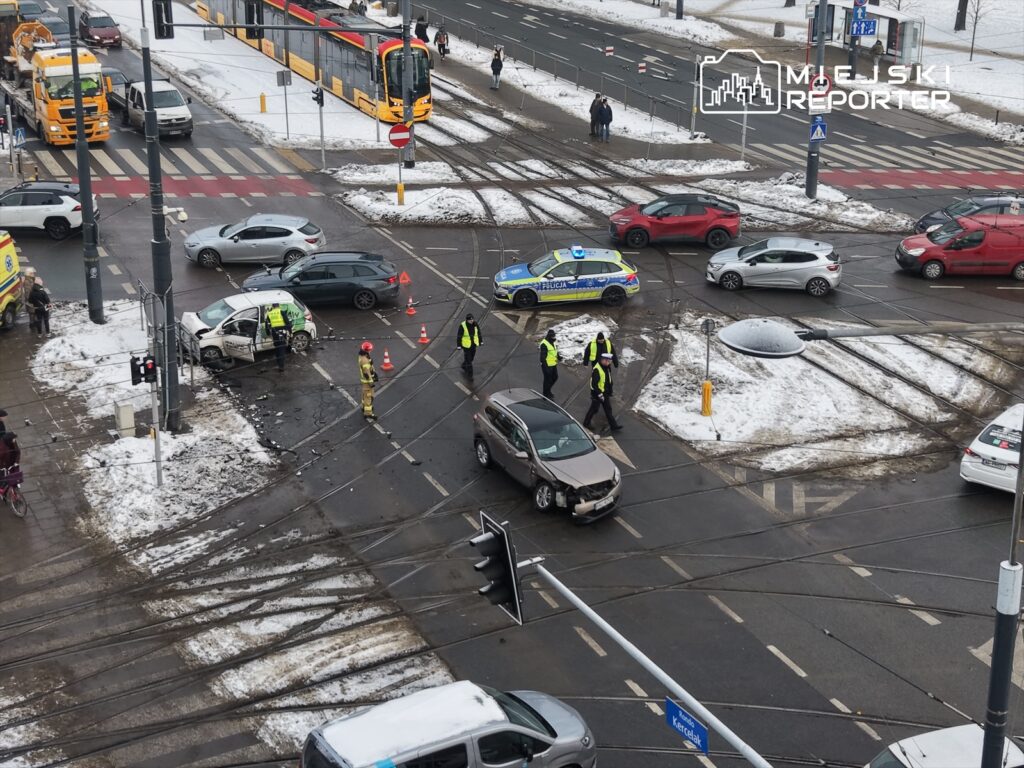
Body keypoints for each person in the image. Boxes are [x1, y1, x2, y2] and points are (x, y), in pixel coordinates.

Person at [582, 354, 622, 431]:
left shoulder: (606, 368)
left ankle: (614, 426)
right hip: (597, 394)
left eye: (609, 361)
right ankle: (586, 423)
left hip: (605, 393)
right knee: (594, 409)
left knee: (608, 409)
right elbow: (594, 384)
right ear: (602, 360)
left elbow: (608, 379)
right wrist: (599, 394)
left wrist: (609, 390)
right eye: (607, 361)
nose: (608, 362)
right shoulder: (597, 369)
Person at [263, 302, 292, 372]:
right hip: (282, 332)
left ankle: (278, 361)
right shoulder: (281, 312)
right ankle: (281, 366)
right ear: (278, 306)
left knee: (277, 347)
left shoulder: (269, 314)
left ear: (273, 307)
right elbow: (287, 323)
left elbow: (267, 325)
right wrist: (290, 331)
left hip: (274, 333)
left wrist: (268, 333)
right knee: (281, 348)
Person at [539, 329, 561, 399]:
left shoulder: (552, 342)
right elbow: (542, 357)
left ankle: (547, 390)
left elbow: (554, 350)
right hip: (547, 365)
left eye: (554, 336)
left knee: (555, 377)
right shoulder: (544, 344)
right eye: (553, 337)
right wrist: (546, 367)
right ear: (549, 336)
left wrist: (558, 356)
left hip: (553, 363)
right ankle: (545, 394)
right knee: (547, 379)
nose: (554, 338)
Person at [358, 342, 378, 419]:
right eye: (370, 350)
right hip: (367, 383)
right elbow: (366, 373)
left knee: (365, 396)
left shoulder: (363, 356)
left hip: (365, 382)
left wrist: (374, 374)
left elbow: (369, 368)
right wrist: (371, 382)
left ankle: (364, 407)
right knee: (369, 397)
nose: (370, 351)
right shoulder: (364, 360)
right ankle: (368, 413)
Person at [21, 266, 36, 330]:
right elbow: (28, 293)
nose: (34, 274)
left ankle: (33, 324)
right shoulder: (27, 282)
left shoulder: (30, 279)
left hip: (32, 301)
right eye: (32, 273)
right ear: (29, 274)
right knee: (32, 313)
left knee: (33, 313)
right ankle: (32, 326)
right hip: (31, 301)